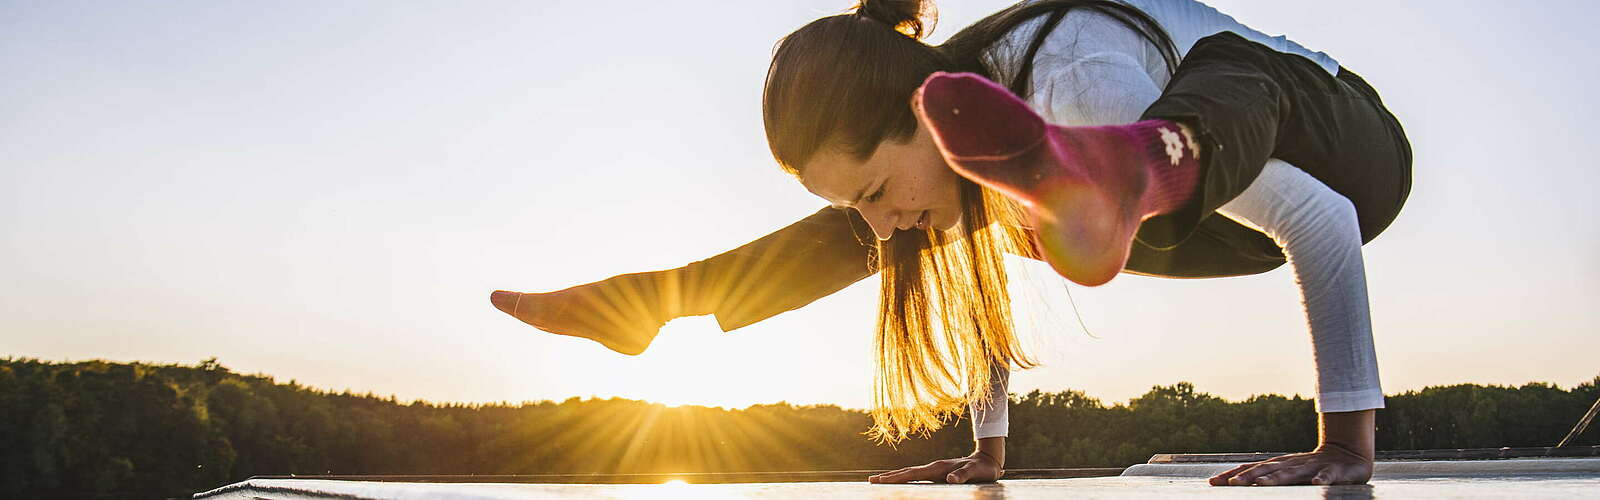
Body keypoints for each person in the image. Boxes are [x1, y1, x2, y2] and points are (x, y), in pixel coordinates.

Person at [490, 0, 1410, 487]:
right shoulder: (972, 146)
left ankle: (1136, 166)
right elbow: (968, 269)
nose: (883, 224)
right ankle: (655, 303)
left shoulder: (1072, 84)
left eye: (879, 188)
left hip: (1344, 144)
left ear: (925, 119)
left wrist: (1344, 447)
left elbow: (1325, 216)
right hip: (1183, 215)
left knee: (1228, 77)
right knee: (894, 230)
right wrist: (989, 453)